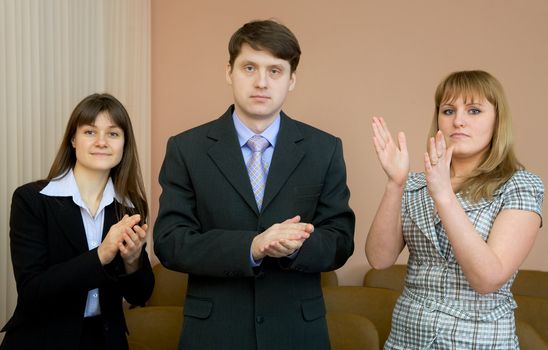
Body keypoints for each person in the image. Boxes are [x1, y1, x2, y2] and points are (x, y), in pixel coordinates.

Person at [154, 19, 355, 350]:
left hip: (297, 333)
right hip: (214, 333)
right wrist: (251, 246)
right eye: (249, 67)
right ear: (229, 71)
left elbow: (340, 240)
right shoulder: (186, 148)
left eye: (275, 71)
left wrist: (296, 246)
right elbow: (170, 241)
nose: (262, 82)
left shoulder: (324, 149)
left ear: (292, 80)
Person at [365, 70, 544, 349]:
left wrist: (444, 196)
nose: (458, 121)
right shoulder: (414, 183)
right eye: (448, 110)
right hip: (407, 337)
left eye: (474, 110)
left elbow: (488, 279)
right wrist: (395, 184)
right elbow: (379, 259)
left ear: (498, 120)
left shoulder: (521, 186)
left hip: (479, 341)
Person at [0, 93, 154, 350]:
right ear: (73, 139)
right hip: (42, 340)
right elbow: (32, 292)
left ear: (124, 144)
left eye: (113, 134)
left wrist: (132, 261)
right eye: (90, 132)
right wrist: (101, 255)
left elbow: (141, 295)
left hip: (105, 340)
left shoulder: (130, 206)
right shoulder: (32, 200)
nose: (102, 142)